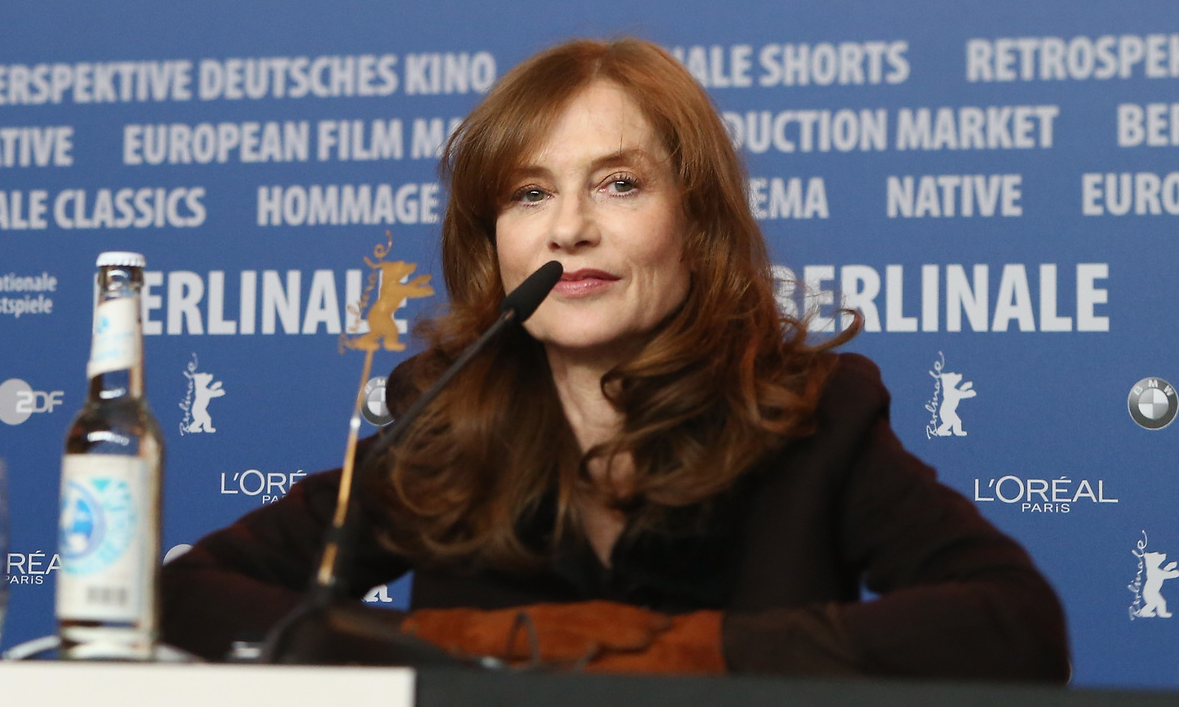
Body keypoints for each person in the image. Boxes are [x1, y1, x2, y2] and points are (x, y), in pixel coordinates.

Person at [162, 38, 1069, 679]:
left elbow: (1014, 624)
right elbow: (189, 594)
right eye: (529, 193)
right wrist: (458, 649)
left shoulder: (808, 414)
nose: (570, 227)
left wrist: (684, 653)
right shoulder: (445, 421)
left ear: (695, 220)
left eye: (619, 182)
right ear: (495, 244)